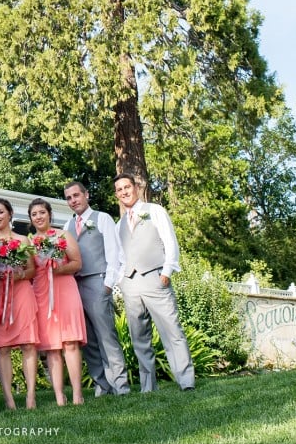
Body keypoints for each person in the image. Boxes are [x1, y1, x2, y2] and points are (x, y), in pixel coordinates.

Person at [113, 173, 196, 392]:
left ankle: (186, 381)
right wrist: (121, 281)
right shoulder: (118, 224)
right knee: (139, 336)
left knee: (172, 331)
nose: (124, 192)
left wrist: (166, 272)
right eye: (119, 190)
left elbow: (170, 242)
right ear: (116, 195)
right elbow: (120, 257)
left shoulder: (154, 211)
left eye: (127, 187)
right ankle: (148, 386)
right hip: (130, 284)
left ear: (136, 187)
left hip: (155, 278)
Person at [63, 181, 131, 397]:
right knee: (88, 339)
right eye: (69, 198)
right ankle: (102, 384)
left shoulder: (102, 218)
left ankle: (121, 386)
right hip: (75, 286)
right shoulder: (67, 226)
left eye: (76, 195)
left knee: (106, 336)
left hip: (97, 281)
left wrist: (108, 285)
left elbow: (114, 253)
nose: (73, 200)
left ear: (86, 195)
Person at [28, 197, 86, 406]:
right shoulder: (30, 242)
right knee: (51, 346)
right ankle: (59, 395)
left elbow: (77, 263)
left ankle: (77, 393)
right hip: (41, 292)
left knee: (70, 342)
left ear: (49, 214)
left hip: (65, 289)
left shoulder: (63, 235)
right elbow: (30, 270)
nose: (38, 217)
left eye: (42, 212)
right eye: (34, 214)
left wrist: (59, 268)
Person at [0, 198, 39, 410]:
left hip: (22, 292)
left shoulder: (23, 240)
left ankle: (31, 397)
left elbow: (32, 270)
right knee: (3, 347)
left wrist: (19, 274)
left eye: (0, 212)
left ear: (10, 214)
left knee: (28, 344)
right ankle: (9, 399)